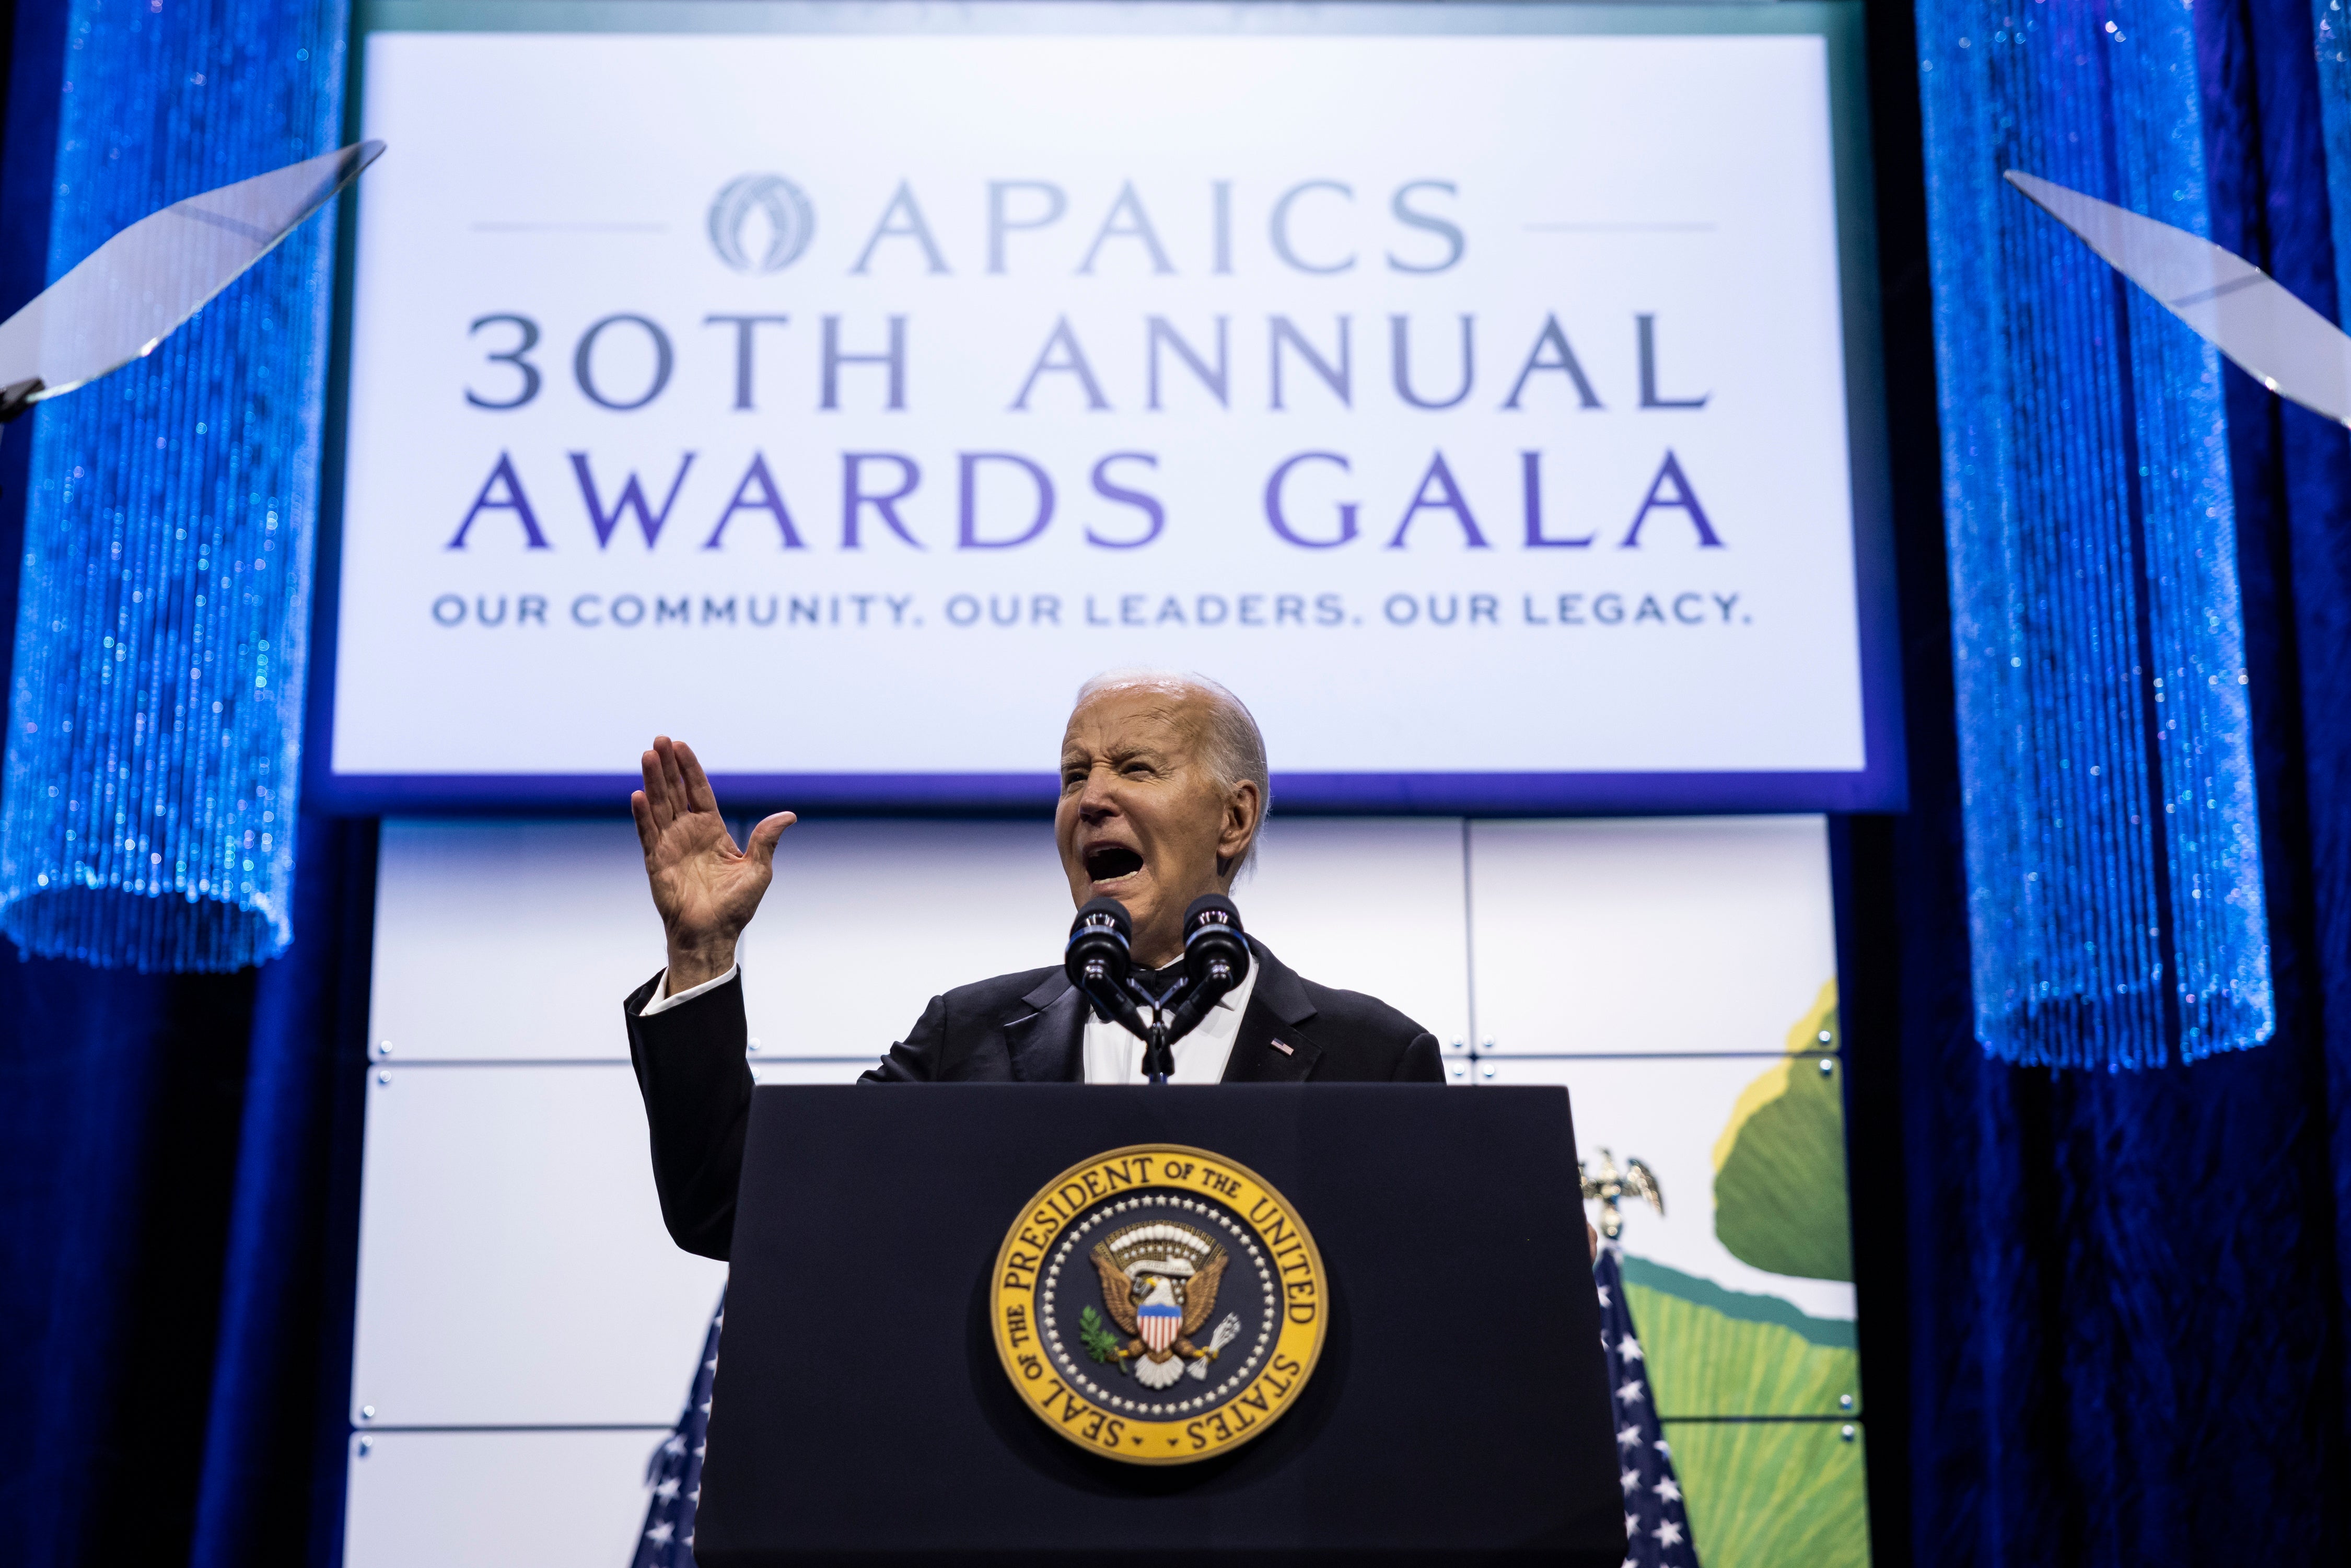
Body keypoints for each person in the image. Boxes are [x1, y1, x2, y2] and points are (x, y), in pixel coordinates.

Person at [621, 671, 1449, 1260]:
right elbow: (734, 1206)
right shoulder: (966, 1039)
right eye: (1073, 774)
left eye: (1134, 768)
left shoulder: (1372, 1056)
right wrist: (700, 955)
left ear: (1235, 817)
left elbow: (1426, 1300)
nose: (1091, 799)